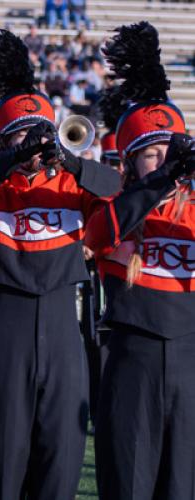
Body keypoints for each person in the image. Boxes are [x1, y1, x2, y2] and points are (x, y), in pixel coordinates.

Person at [0, 30, 120, 500]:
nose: (34, 142)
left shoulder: (71, 185)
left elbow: (118, 193)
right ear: (5, 141)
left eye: (39, 133)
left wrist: (68, 158)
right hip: (6, 326)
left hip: (65, 327)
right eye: (22, 135)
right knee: (4, 462)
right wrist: (8, 161)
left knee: (62, 459)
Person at [85, 22, 195, 499]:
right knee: (128, 483)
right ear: (129, 163)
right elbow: (96, 237)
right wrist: (159, 181)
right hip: (133, 360)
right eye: (151, 154)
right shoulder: (115, 203)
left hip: (191, 360)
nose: (162, 160)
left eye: (168, 153)